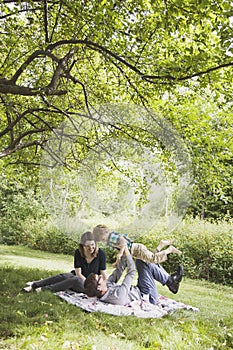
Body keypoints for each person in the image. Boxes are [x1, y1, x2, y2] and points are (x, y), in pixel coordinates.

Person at [84, 245, 184, 305]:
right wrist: (128, 253)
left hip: (139, 289)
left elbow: (119, 271)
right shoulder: (117, 296)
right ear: (99, 287)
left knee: (144, 261)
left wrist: (124, 252)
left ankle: (171, 282)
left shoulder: (106, 286)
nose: (101, 276)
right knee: (141, 261)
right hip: (148, 296)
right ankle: (171, 282)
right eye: (99, 278)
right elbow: (131, 272)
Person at [22, 231, 107, 293]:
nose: (90, 248)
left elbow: (103, 274)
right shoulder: (78, 252)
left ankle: (43, 290)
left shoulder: (101, 254)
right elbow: (78, 273)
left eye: (92, 245)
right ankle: (35, 285)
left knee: (75, 280)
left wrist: (101, 285)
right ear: (82, 246)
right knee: (65, 276)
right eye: (87, 246)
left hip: (91, 285)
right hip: (80, 277)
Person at [93, 224, 181, 267]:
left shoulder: (111, 237)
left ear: (104, 233)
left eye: (101, 238)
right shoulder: (109, 240)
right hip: (136, 250)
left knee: (153, 259)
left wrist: (120, 253)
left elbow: (123, 241)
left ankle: (169, 249)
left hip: (137, 249)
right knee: (150, 260)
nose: (102, 240)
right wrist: (117, 262)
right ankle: (161, 245)